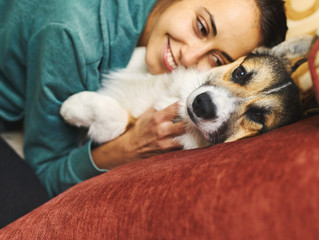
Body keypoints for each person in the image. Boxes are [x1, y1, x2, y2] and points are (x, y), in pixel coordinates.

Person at [0, 0, 287, 227]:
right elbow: (46, 172)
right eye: (201, 27)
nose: (189, 57)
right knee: (26, 203)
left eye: (216, 59)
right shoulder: (72, 35)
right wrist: (130, 147)